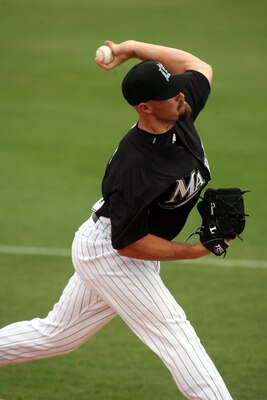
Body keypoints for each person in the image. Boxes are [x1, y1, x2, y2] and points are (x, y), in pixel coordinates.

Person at [0, 40, 234, 400]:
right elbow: (127, 242)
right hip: (112, 253)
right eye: (171, 94)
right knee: (174, 333)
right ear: (146, 107)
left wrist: (134, 47)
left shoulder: (179, 109)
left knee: (58, 336)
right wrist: (195, 249)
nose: (181, 96)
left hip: (124, 245)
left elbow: (197, 62)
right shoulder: (135, 164)